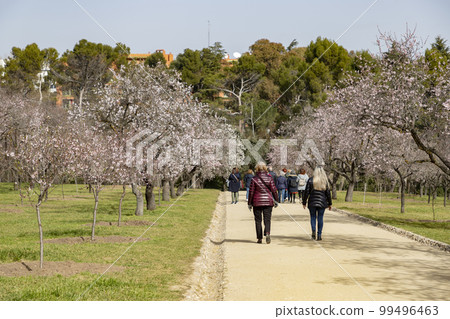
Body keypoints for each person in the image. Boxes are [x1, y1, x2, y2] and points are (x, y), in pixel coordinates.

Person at [248, 162, 278, 244]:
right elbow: (274, 190)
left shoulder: (254, 179)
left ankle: (259, 238)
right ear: (265, 168)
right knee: (267, 219)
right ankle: (267, 233)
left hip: (257, 202)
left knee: (258, 220)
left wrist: (249, 203)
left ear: (256, 169)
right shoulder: (269, 178)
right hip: (268, 201)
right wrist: (276, 200)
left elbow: (251, 192)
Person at [302, 166, 332, 241]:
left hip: (312, 202)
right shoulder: (325, 181)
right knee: (320, 218)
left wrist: (304, 202)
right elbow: (328, 193)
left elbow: (306, 192)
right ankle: (319, 235)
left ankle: (313, 231)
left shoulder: (311, 180)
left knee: (312, 217)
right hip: (322, 202)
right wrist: (330, 203)